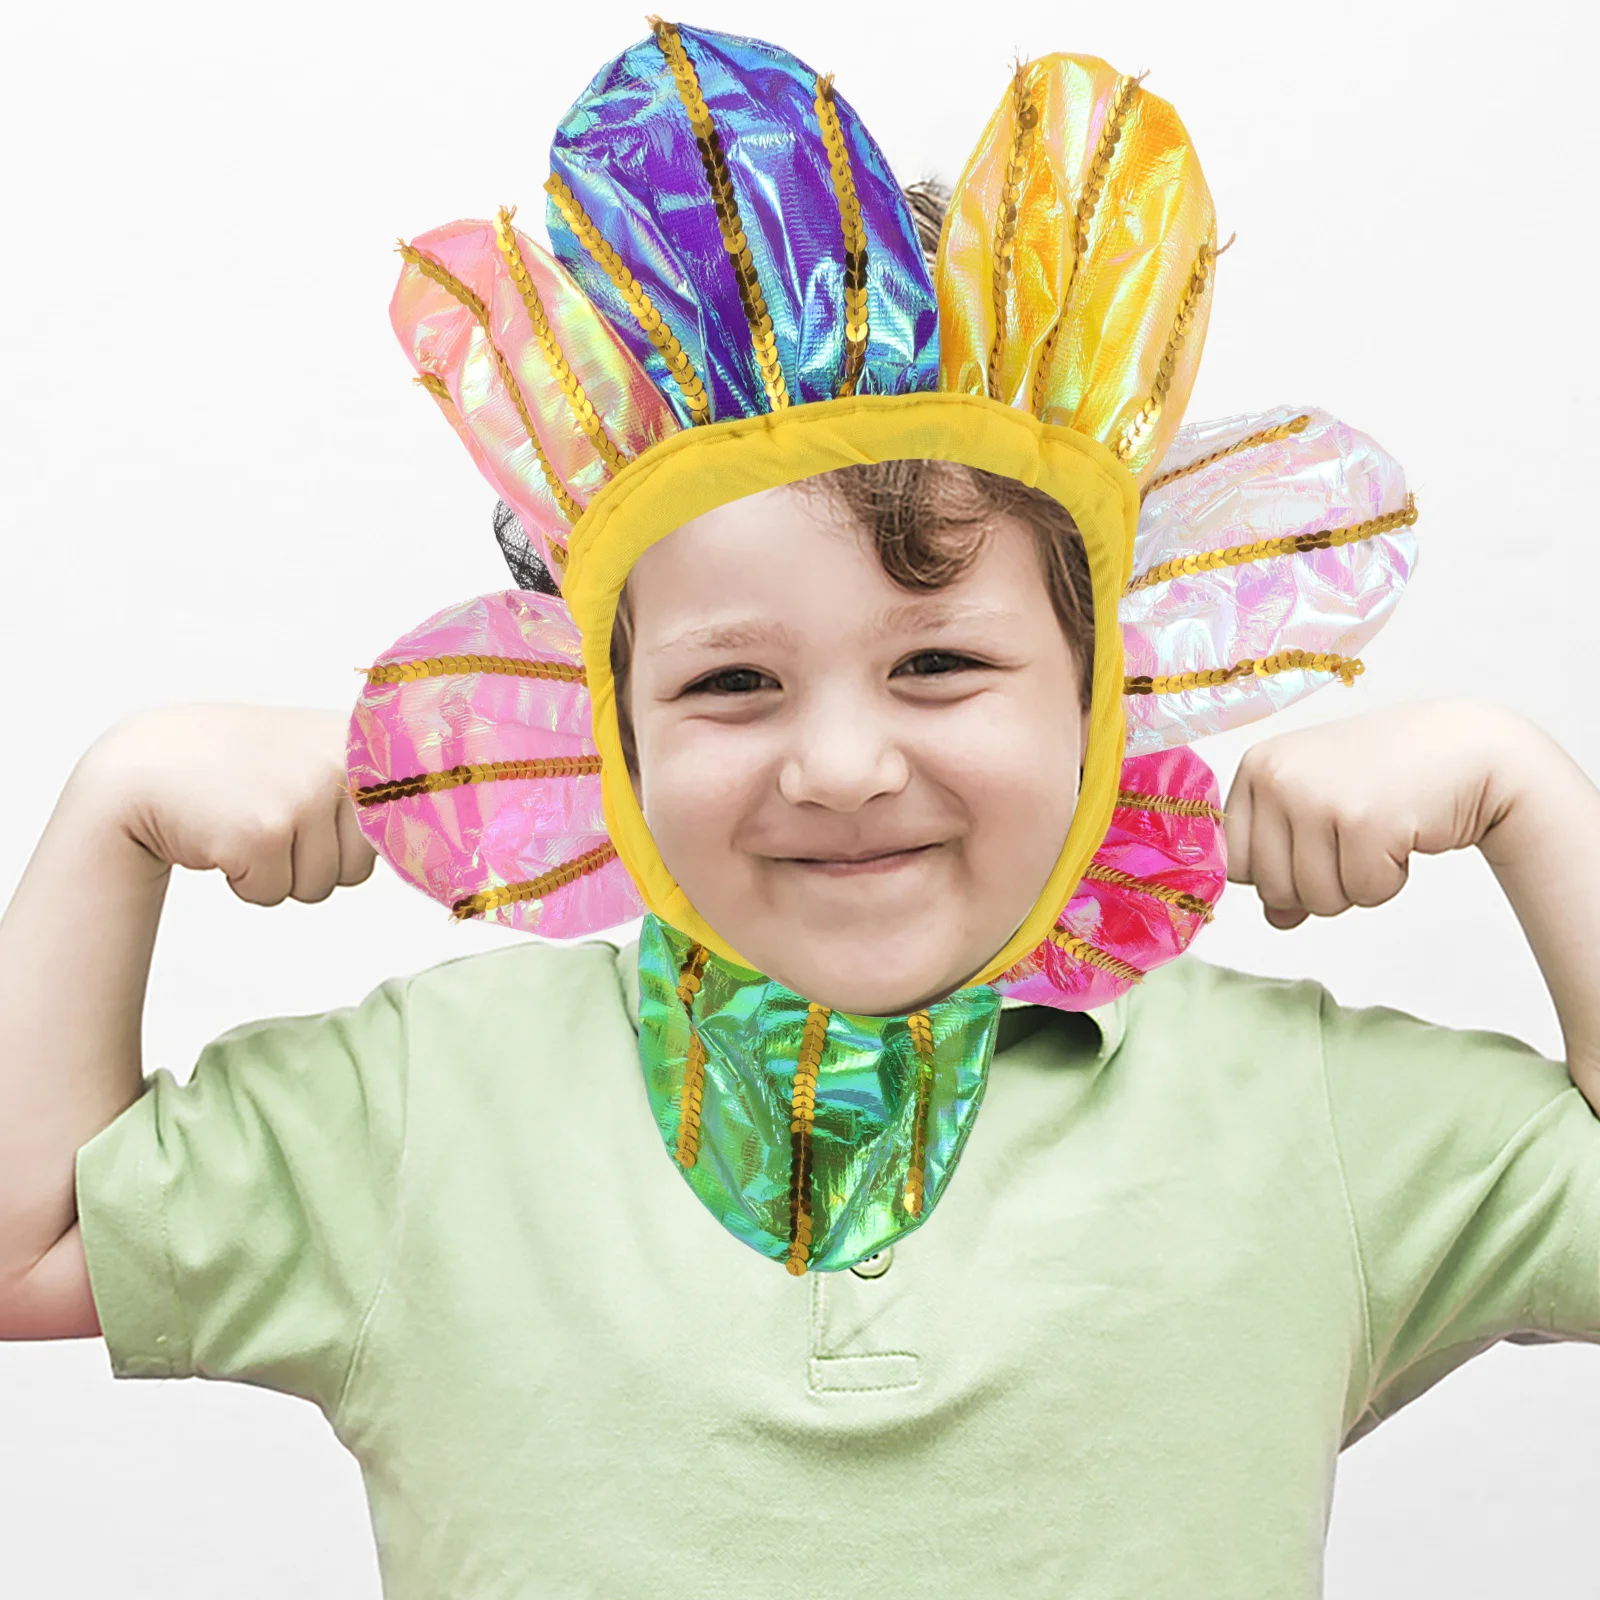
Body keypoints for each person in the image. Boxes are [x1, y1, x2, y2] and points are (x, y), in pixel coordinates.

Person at [4, 19, 1600, 1597]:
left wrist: (1531, 796)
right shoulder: (426, 1107)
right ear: (593, 725)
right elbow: (29, 1257)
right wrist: (112, 817)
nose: (839, 766)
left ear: (1112, 695)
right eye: (732, 686)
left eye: (942, 662)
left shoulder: (1300, 1117)